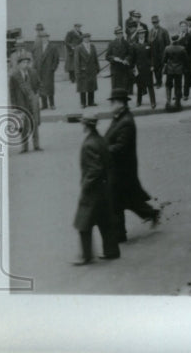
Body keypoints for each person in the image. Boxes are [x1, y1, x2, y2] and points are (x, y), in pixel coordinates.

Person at [104, 88, 160, 242]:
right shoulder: (119, 117)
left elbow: (121, 147)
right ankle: (151, 213)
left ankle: (119, 234)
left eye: (113, 102)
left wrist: (104, 150)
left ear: (121, 104)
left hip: (123, 169)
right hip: (119, 168)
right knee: (128, 199)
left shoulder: (126, 122)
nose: (111, 104)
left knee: (116, 200)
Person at [72, 109, 120, 265]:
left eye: (83, 123)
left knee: (83, 223)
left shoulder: (89, 144)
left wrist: (85, 185)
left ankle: (86, 256)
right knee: (105, 221)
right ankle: (112, 251)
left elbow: (94, 169)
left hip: (94, 190)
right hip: (104, 189)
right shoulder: (100, 139)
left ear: (86, 125)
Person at [9, 52, 42, 152]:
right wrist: (14, 106)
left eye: (27, 62)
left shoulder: (33, 72)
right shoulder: (14, 76)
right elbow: (12, 92)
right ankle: (25, 147)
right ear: (19, 64)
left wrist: (36, 95)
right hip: (21, 103)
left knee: (34, 124)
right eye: (23, 63)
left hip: (33, 102)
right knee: (24, 125)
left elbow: (38, 84)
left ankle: (36, 145)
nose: (25, 65)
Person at [32, 30, 59, 110]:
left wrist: (53, 68)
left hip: (48, 71)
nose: (44, 39)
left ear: (48, 38)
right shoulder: (37, 47)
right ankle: (44, 104)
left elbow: (56, 59)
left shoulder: (52, 47)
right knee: (41, 87)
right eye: (42, 38)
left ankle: (52, 104)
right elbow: (35, 58)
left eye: (45, 37)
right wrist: (35, 68)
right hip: (39, 70)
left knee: (50, 87)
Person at [162, 28, 188, 111]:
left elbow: (164, 60)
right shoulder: (182, 48)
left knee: (168, 86)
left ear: (171, 39)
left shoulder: (167, 48)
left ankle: (168, 102)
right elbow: (186, 60)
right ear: (178, 39)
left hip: (169, 70)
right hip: (179, 70)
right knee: (178, 86)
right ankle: (177, 103)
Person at [131, 29, 156, 109]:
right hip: (139, 68)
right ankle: (139, 101)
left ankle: (153, 102)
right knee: (139, 86)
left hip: (148, 68)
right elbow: (133, 58)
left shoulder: (149, 43)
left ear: (145, 34)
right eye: (140, 34)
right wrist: (134, 68)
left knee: (150, 85)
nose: (142, 35)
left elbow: (152, 55)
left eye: (143, 33)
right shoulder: (135, 45)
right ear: (138, 35)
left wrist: (152, 65)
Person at [74, 32, 99, 110]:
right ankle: (83, 103)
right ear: (83, 39)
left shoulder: (92, 46)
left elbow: (95, 58)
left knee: (91, 86)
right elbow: (76, 61)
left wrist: (97, 67)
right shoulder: (78, 47)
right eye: (86, 38)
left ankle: (91, 102)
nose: (87, 39)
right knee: (83, 87)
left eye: (88, 37)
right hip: (83, 70)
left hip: (91, 69)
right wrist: (77, 71)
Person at [105, 26, 134, 92]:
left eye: (121, 33)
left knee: (124, 87)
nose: (119, 35)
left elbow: (130, 54)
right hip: (115, 68)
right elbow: (107, 56)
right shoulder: (111, 43)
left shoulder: (126, 43)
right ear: (115, 34)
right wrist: (114, 58)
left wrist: (126, 59)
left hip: (124, 68)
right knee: (115, 87)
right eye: (118, 34)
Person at [148, 15, 170, 88]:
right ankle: (157, 80)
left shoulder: (164, 31)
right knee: (155, 67)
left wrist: (167, 53)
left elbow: (167, 43)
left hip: (161, 53)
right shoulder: (150, 31)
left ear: (158, 22)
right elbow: (149, 42)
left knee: (160, 68)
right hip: (153, 53)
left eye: (156, 22)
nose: (155, 24)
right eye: (153, 23)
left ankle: (159, 82)